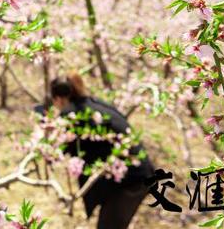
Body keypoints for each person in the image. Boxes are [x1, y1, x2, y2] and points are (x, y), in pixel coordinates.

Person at [50, 73, 154, 229]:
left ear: (58, 99)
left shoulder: (71, 114)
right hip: (136, 174)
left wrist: (48, 135)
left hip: (130, 180)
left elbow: (55, 149)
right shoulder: (95, 103)